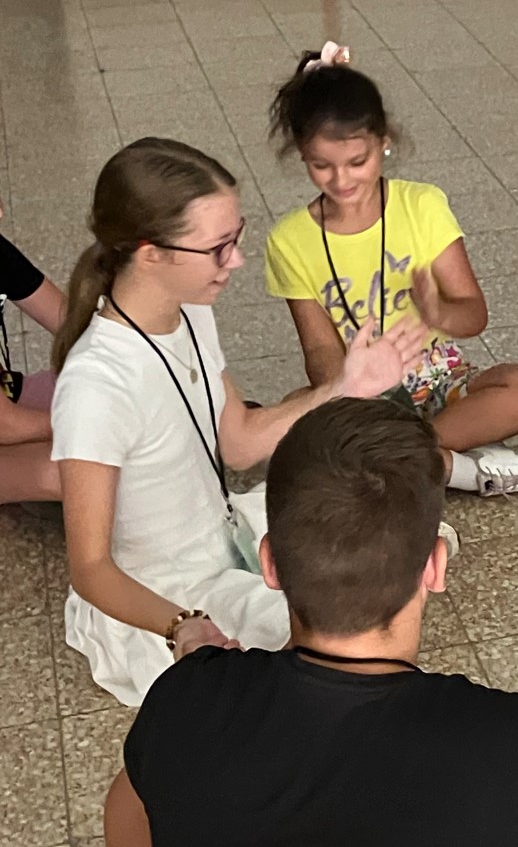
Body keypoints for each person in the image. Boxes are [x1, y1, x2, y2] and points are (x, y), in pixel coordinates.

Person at [103, 396, 518, 847]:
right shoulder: (507, 738)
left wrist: (196, 652)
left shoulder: (186, 695)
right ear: (435, 566)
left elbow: (134, 807)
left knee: (135, 786)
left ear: (270, 565)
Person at [52, 137, 424, 706]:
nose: (238, 261)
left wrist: (346, 385)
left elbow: (241, 444)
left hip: (225, 538)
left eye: (237, 237)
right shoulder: (96, 385)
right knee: (338, 653)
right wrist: (183, 626)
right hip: (163, 596)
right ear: (150, 252)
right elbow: (92, 569)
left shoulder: (191, 311)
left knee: (383, 563)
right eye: (219, 248)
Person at [264, 41, 518, 497]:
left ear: (383, 141)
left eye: (357, 162)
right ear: (301, 154)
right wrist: (352, 383)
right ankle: (458, 468)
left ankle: (403, 456)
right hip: (360, 392)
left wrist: (438, 311)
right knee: (284, 425)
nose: (341, 180)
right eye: (321, 166)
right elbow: (319, 350)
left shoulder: (422, 205)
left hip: (439, 381)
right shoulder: (289, 239)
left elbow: (473, 315)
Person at [0, 203, 67, 504]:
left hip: (8, 398)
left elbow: (73, 324)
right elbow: (6, 425)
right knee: (83, 473)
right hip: (5, 420)